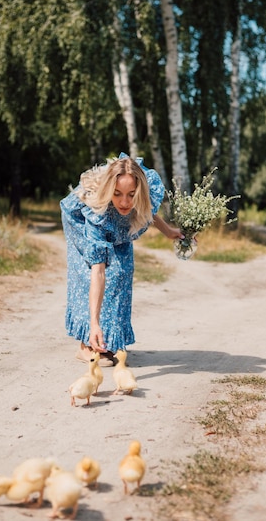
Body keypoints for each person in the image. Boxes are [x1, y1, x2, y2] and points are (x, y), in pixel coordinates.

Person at [60, 152, 183, 366]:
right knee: (91, 272)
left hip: (118, 223)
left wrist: (169, 231)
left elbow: (147, 209)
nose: (125, 202)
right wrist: (94, 323)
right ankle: (87, 343)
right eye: (117, 194)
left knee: (122, 271)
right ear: (110, 190)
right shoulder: (97, 214)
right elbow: (98, 271)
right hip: (81, 220)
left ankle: (108, 340)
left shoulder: (140, 193)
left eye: (131, 194)